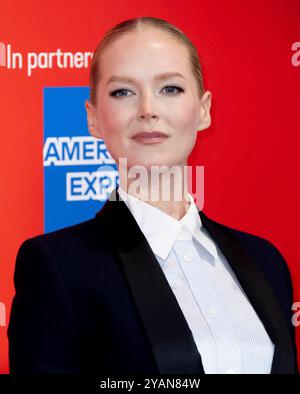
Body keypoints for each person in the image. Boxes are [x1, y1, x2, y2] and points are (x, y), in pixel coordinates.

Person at [8, 16, 298, 374]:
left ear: (204, 110)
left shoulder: (266, 261)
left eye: (170, 89)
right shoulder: (57, 266)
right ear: (93, 118)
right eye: (123, 92)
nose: (148, 109)